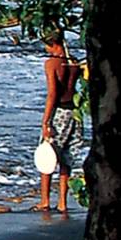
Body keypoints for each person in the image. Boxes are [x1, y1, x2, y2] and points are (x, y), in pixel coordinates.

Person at [38, 34, 80, 213]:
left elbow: (52, 94)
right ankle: (62, 202)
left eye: (47, 46)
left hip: (59, 112)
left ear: (53, 44)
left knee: (47, 156)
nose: (46, 50)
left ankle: (45, 201)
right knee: (66, 158)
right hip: (75, 111)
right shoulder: (75, 62)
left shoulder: (51, 64)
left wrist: (46, 121)